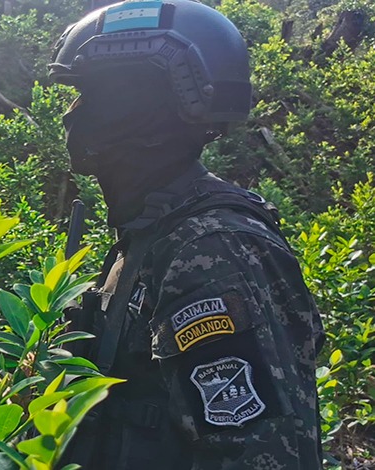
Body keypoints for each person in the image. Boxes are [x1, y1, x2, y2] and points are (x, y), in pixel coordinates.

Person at [48, 0, 325, 468]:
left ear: (138, 109)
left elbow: (255, 452)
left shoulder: (211, 247)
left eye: (90, 97)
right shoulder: (153, 230)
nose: (74, 117)